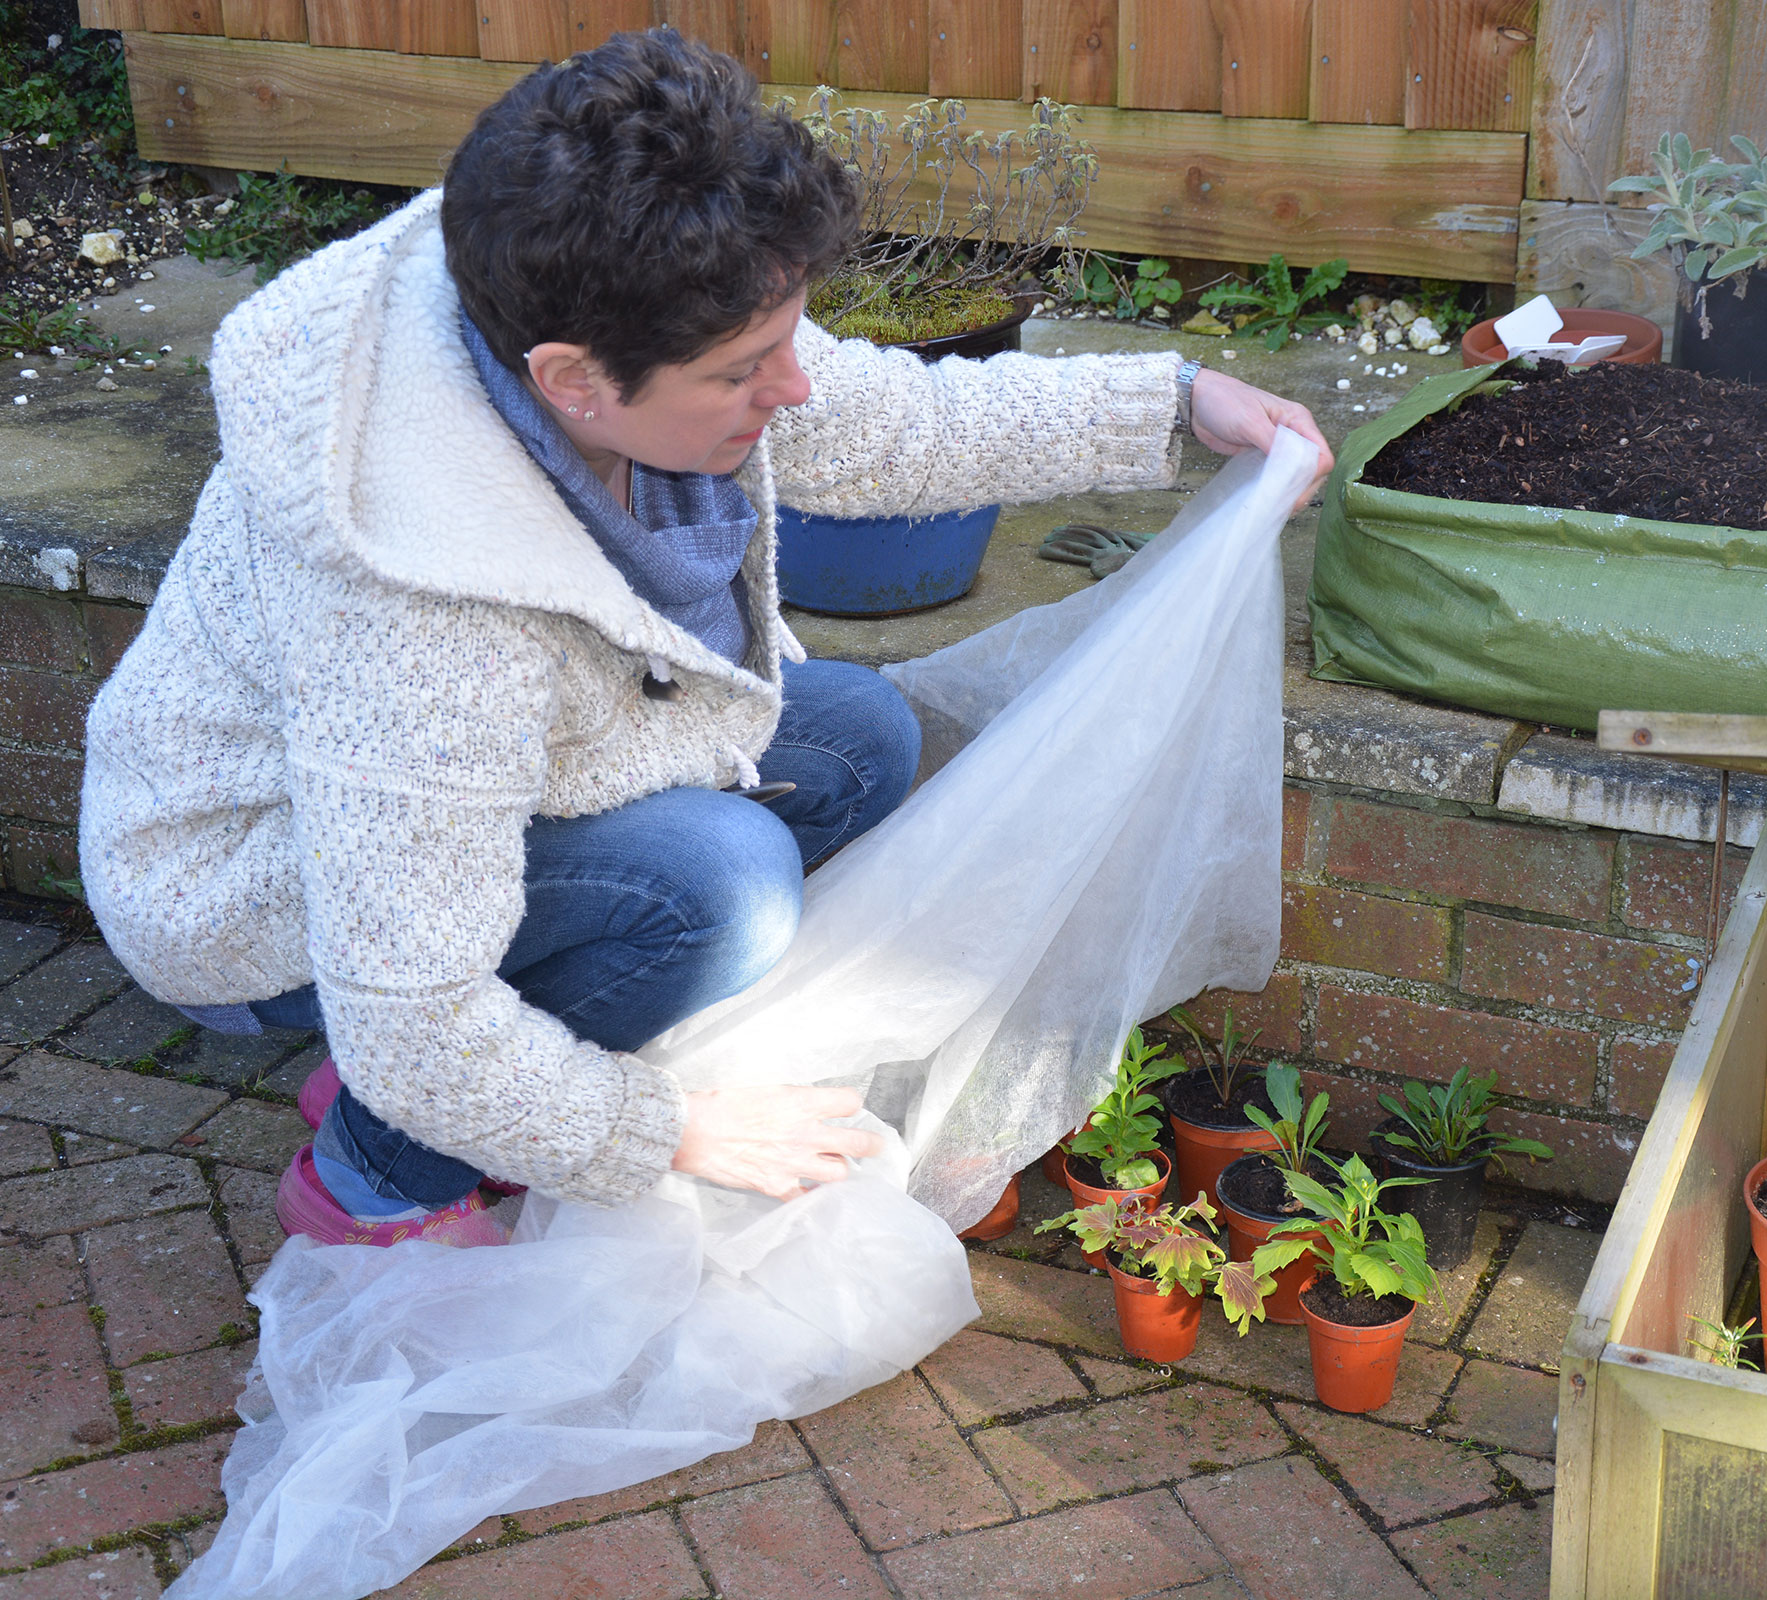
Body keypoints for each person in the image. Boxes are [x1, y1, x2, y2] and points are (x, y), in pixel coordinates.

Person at [78, 28, 1333, 1246]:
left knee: (855, 739)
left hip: (434, 825)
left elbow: (877, 423)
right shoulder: (420, 615)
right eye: (745, 371)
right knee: (718, 892)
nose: (788, 389)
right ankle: (375, 1170)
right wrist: (666, 1132)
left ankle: (470, 1086)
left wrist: (1173, 405)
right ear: (573, 382)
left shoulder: (582, 290)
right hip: (254, 893)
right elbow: (414, 1013)